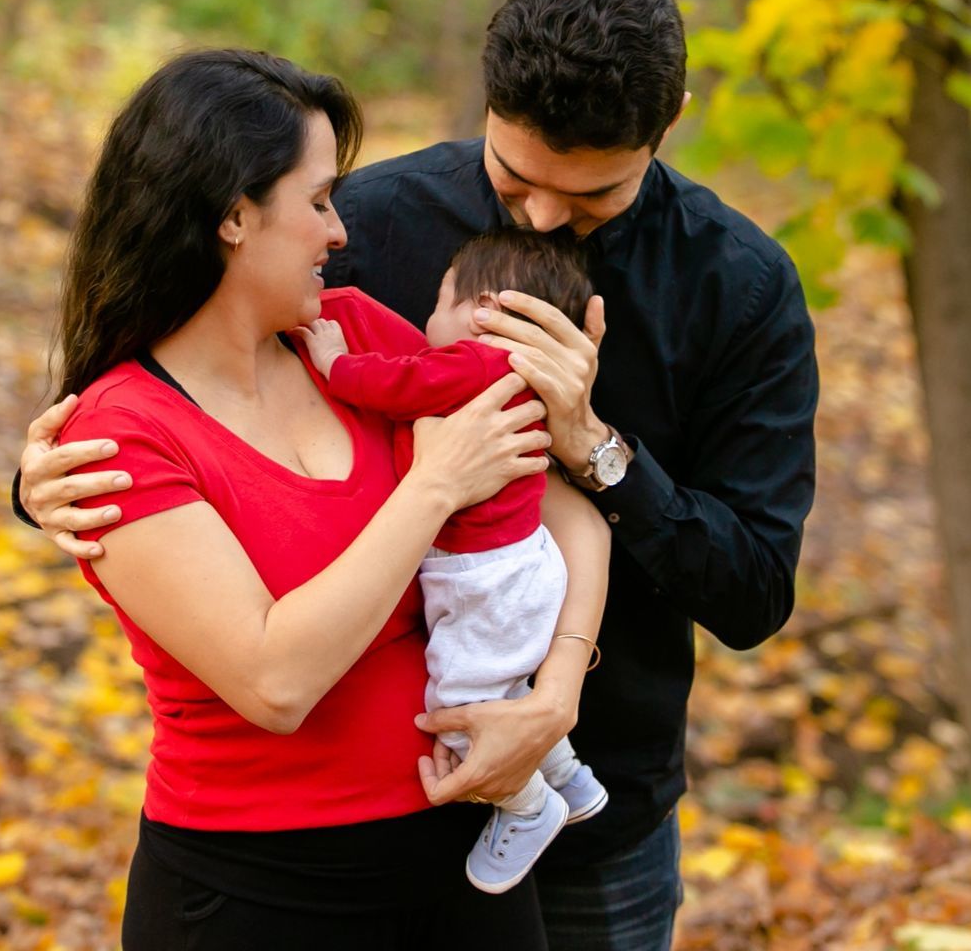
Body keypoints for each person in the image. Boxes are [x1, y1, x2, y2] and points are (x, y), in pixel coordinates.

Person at [18, 0, 820, 951]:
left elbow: (750, 591)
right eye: (516, 175)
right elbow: (188, 381)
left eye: (592, 194)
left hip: (592, 805)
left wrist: (596, 455)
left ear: (669, 125)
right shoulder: (361, 242)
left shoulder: (737, 287)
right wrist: (45, 483)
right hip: (351, 834)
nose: (540, 216)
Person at [40, 46, 612, 949]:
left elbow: (567, 514)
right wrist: (431, 487)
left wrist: (557, 697)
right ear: (233, 215)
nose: (340, 233)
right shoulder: (121, 433)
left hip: (462, 865)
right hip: (259, 889)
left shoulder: (351, 337)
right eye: (315, 202)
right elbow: (275, 683)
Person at [299, 226, 612, 894]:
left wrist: (333, 364)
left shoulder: (475, 363)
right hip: (526, 563)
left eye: (439, 302)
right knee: (511, 687)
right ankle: (571, 778)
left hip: (485, 575)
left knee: (463, 698)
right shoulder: (524, 377)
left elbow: (400, 385)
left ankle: (529, 808)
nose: (426, 321)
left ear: (483, 312)